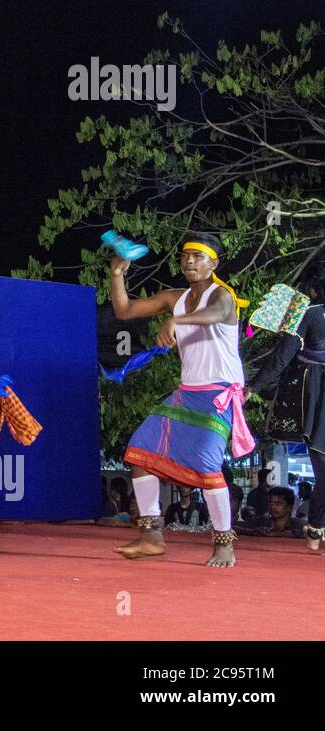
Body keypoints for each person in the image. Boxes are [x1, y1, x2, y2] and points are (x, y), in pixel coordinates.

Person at [109, 231, 250, 567]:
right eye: (185, 255)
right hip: (187, 393)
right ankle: (152, 535)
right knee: (140, 453)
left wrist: (176, 319)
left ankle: (224, 544)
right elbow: (125, 311)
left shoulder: (223, 296)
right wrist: (117, 275)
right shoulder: (176, 296)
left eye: (197, 256)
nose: (189, 261)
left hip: (218, 394)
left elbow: (214, 315)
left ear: (213, 263)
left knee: (207, 467)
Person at [248, 262, 325, 549]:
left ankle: (316, 525)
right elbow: (282, 357)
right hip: (318, 399)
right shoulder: (310, 315)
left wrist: (254, 386)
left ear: (313, 290)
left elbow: (280, 357)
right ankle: (316, 525)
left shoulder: (308, 313)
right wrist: (254, 386)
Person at [235, 486, 305, 538]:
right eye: (271, 503)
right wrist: (252, 531)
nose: (273, 507)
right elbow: (236, 527)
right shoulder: (261, 522)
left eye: (279, 504)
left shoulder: (299, 525)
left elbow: (308, 534)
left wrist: (276, 534)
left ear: (289, 507)